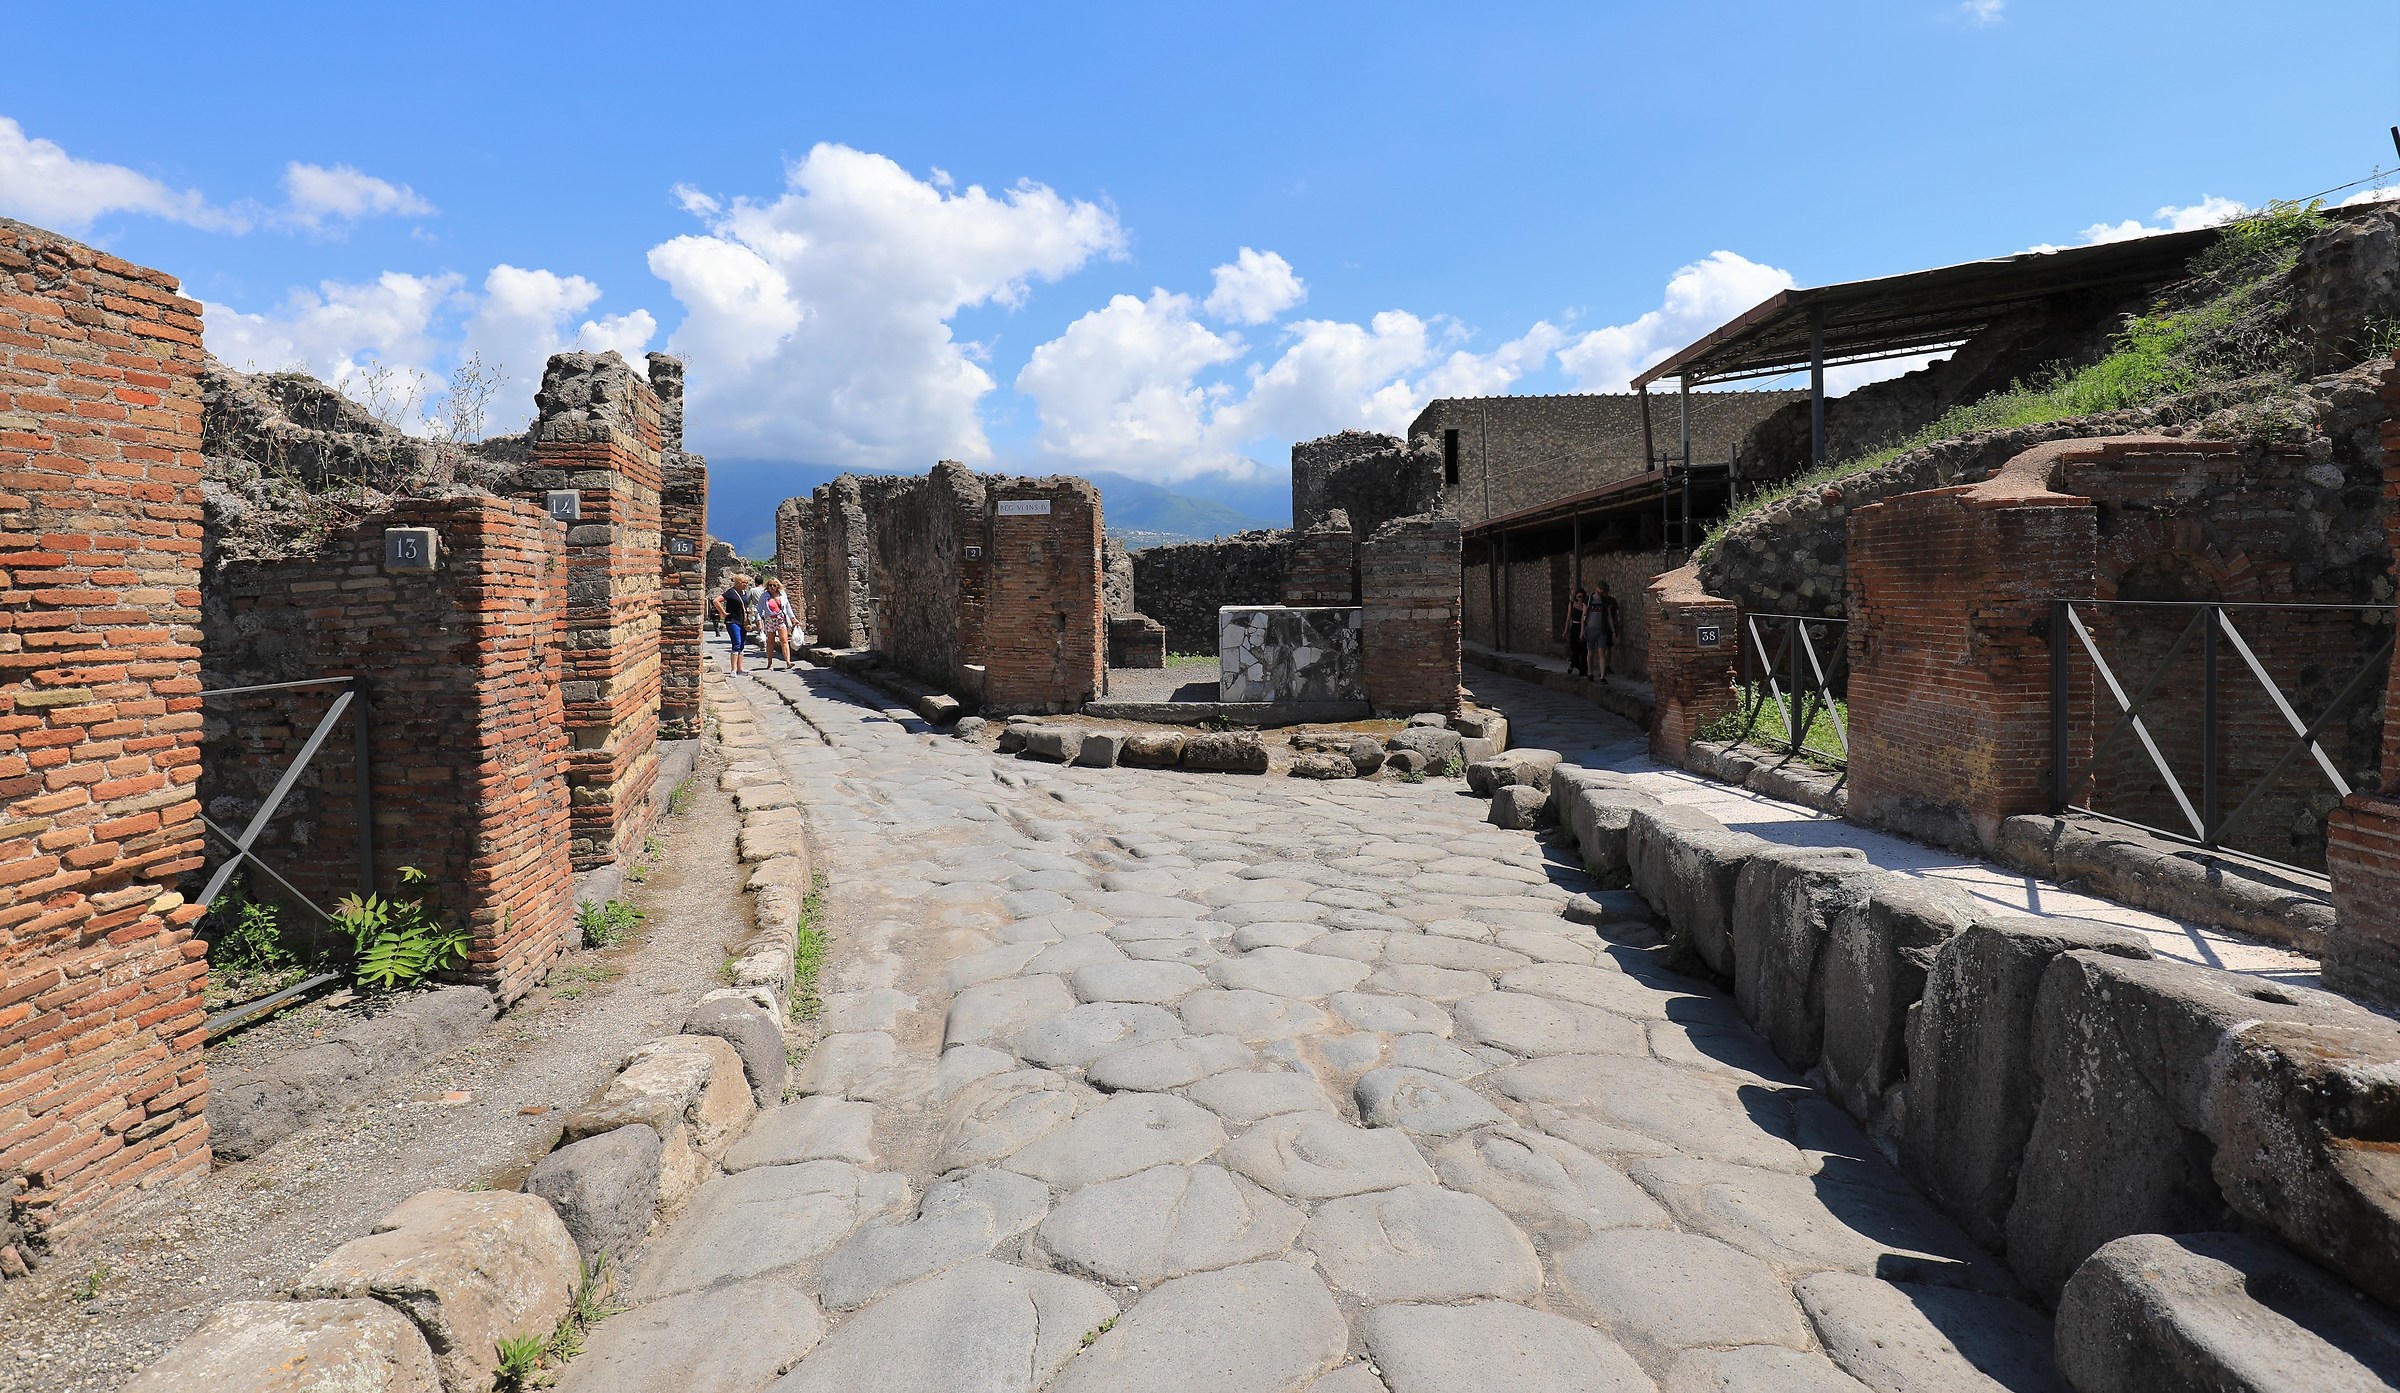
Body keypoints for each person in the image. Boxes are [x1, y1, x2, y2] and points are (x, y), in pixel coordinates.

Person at [715, 573, 756, 675]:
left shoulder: (744, 593)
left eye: (747, 583)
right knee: (736, 643)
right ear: (738, 583)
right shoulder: (730, 592)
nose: (746, 585)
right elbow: (716, 601)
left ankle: (740, 668)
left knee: (742, 644)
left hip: (743, 621)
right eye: (744, 583)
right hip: (732, 621)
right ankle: (733, 669)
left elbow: (744, 604)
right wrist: (723, 613)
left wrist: (747, 610)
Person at [759, 578, 796, 671]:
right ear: (767, 586)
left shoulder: (782, 595)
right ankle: (769, 663)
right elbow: (759, 608)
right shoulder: (764, 596)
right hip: (770, 620)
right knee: (770, 641)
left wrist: (793, 618)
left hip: (780, 619)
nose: (772, 587)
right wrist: (758, 619)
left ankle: (788, 662)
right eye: (770, 585)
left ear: (778, 586)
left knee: (784, 640)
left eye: (774, 585)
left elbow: (788, 607)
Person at [1588, 581, 1621, 681]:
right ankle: (1591, 672)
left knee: (1603, 650)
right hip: (1592, 629)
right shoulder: (1590, 600)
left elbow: (1612, 616)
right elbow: (1584, 615)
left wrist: (1615, 630)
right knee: (1591, 652)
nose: (1604, 593)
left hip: (1604, 629)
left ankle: (1603, 673)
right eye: (1602, 591)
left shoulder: (1608, 601)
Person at [1564, 588, 1589, 677]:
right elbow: (1568, 618)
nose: (1580, 599)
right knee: (1574, 649)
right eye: (1579, 597)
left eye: (1582, 597)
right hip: (1574, 627)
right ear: (1576, 596)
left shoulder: (1585, 605)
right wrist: (1566, 630)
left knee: (1583, 650)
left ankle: (1583, 671)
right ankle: (1575, 664)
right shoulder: (1571, 604)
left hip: (1583, 628)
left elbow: (1585, 617)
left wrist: (1583, 631)